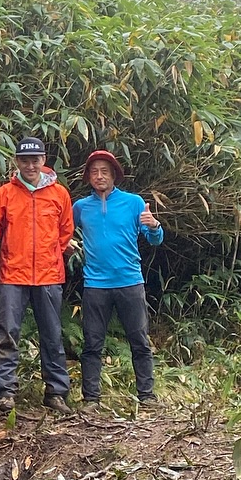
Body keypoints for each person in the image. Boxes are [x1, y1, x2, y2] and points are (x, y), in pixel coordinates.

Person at [0, 136, 74, 413]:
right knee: (7, 333)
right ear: (16, 162)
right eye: (24, 160)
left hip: (49, 274)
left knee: (52, 335)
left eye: (35, 160)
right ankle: (4, 392)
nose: (30, 165)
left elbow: (65, 231)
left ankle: (56, 393)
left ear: (44, 160)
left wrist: (53, 254)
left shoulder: (60, 194)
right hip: (12, 273)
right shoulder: (5, 192)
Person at [70, 149, 164, 409]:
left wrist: (154, 225)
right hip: (95, 284)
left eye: (105, 172)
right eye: (94, 172)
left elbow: (155, 239)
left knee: (140, 341)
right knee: (92, 344)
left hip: (130, 282)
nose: (99, 176)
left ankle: (147, 396)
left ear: (114, 176)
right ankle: (91, 399)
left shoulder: (134, 203)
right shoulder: (80, 207)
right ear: (88, 176)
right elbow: (64, 232)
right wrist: (68, 243)